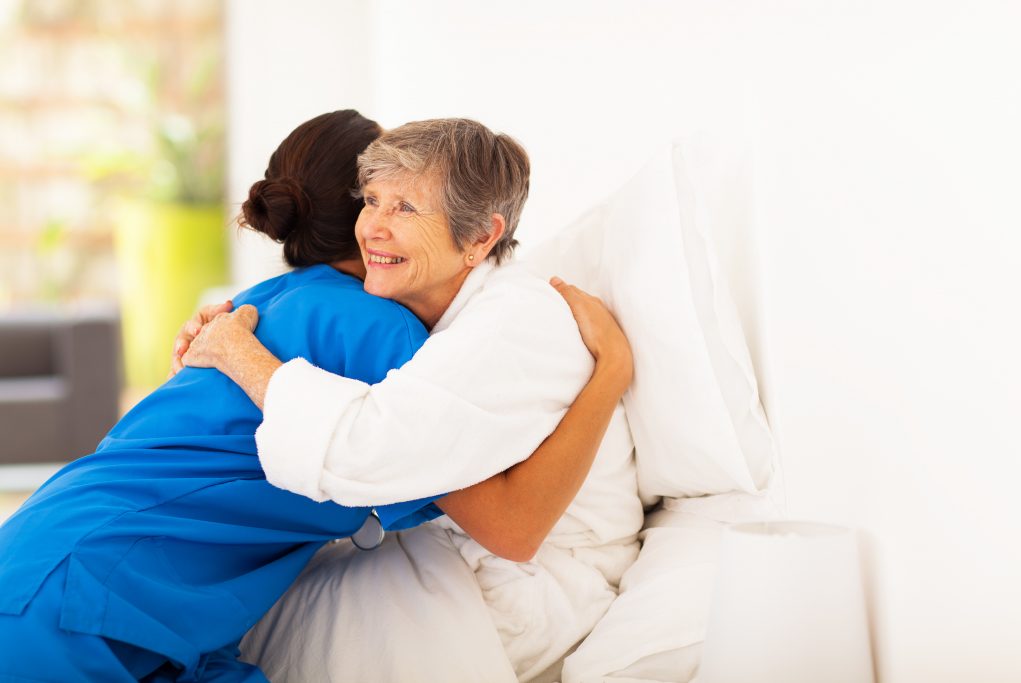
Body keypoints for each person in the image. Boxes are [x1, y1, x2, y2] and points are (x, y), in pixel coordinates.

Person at [0, 111, 631, 683]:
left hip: (104, 583)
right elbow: (506, 520)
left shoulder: (259, 303)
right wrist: (610, 376)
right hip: (90, 592)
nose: (379, 223)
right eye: (375, 199)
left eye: (405, 206)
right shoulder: (379, 332)